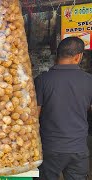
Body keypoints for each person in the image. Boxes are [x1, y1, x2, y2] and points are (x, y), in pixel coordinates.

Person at [34, 37, 91, 180]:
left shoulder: (42, 80)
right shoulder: (89, 80)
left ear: (57, 55)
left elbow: (34, 116)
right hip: (78, 148)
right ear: (78, 57)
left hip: (50, 148)